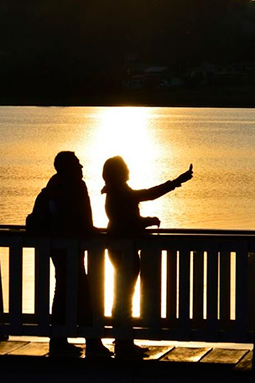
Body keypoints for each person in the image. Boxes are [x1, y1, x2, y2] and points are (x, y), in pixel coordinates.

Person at [101, 156, 193, 358]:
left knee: (122, 294)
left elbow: (127, 219)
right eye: (124, 167)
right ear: (118, 172)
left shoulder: (116, 192)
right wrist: (177, 182)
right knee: (125, 295)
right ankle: (124, 343)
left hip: (119, 248)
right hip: (123, 250)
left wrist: (145, 221)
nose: (128, 169)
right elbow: (144, 200)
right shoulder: (120, 192)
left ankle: (124, 340)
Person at [41, 151, 111, 357]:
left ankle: (59, 340)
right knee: (82, 293)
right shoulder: (75, 186)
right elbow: (82, 219)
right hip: (71, 247)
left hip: (59, 248)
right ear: (67, 167)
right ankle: (91, 342)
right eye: (77, 164)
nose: (81, 168)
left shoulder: (53, 185)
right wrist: (94, 233)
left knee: (62, 291)